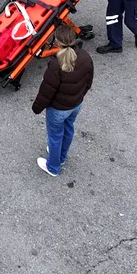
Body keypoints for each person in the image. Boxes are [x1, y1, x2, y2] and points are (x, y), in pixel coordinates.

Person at [31, 26, 94, 176]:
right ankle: (62, 157)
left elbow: (46, 91)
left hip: (58, 109)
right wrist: (79, 97)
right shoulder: (85, 57)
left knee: (54, 136)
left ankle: (53, 167)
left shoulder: (55, 65)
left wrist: (36, 108)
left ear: (57, 42)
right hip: (76, 105)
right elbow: (88, 82)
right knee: (68, 129)